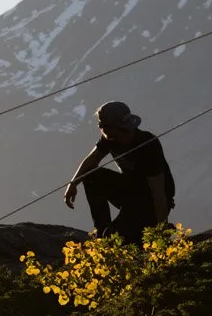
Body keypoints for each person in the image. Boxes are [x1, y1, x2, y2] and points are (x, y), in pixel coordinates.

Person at [63, 100, 176, 241]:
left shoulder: (147, 145)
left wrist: (161, 230)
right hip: (131, 192)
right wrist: (73, 184)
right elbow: (91, 160)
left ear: (115, 126)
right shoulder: (110, 138)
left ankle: (150, 229)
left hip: (150, 203)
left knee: (116, 237)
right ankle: (101, 231)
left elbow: (158, 191)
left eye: (102, 124)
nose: (100, 128)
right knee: (92, 175)